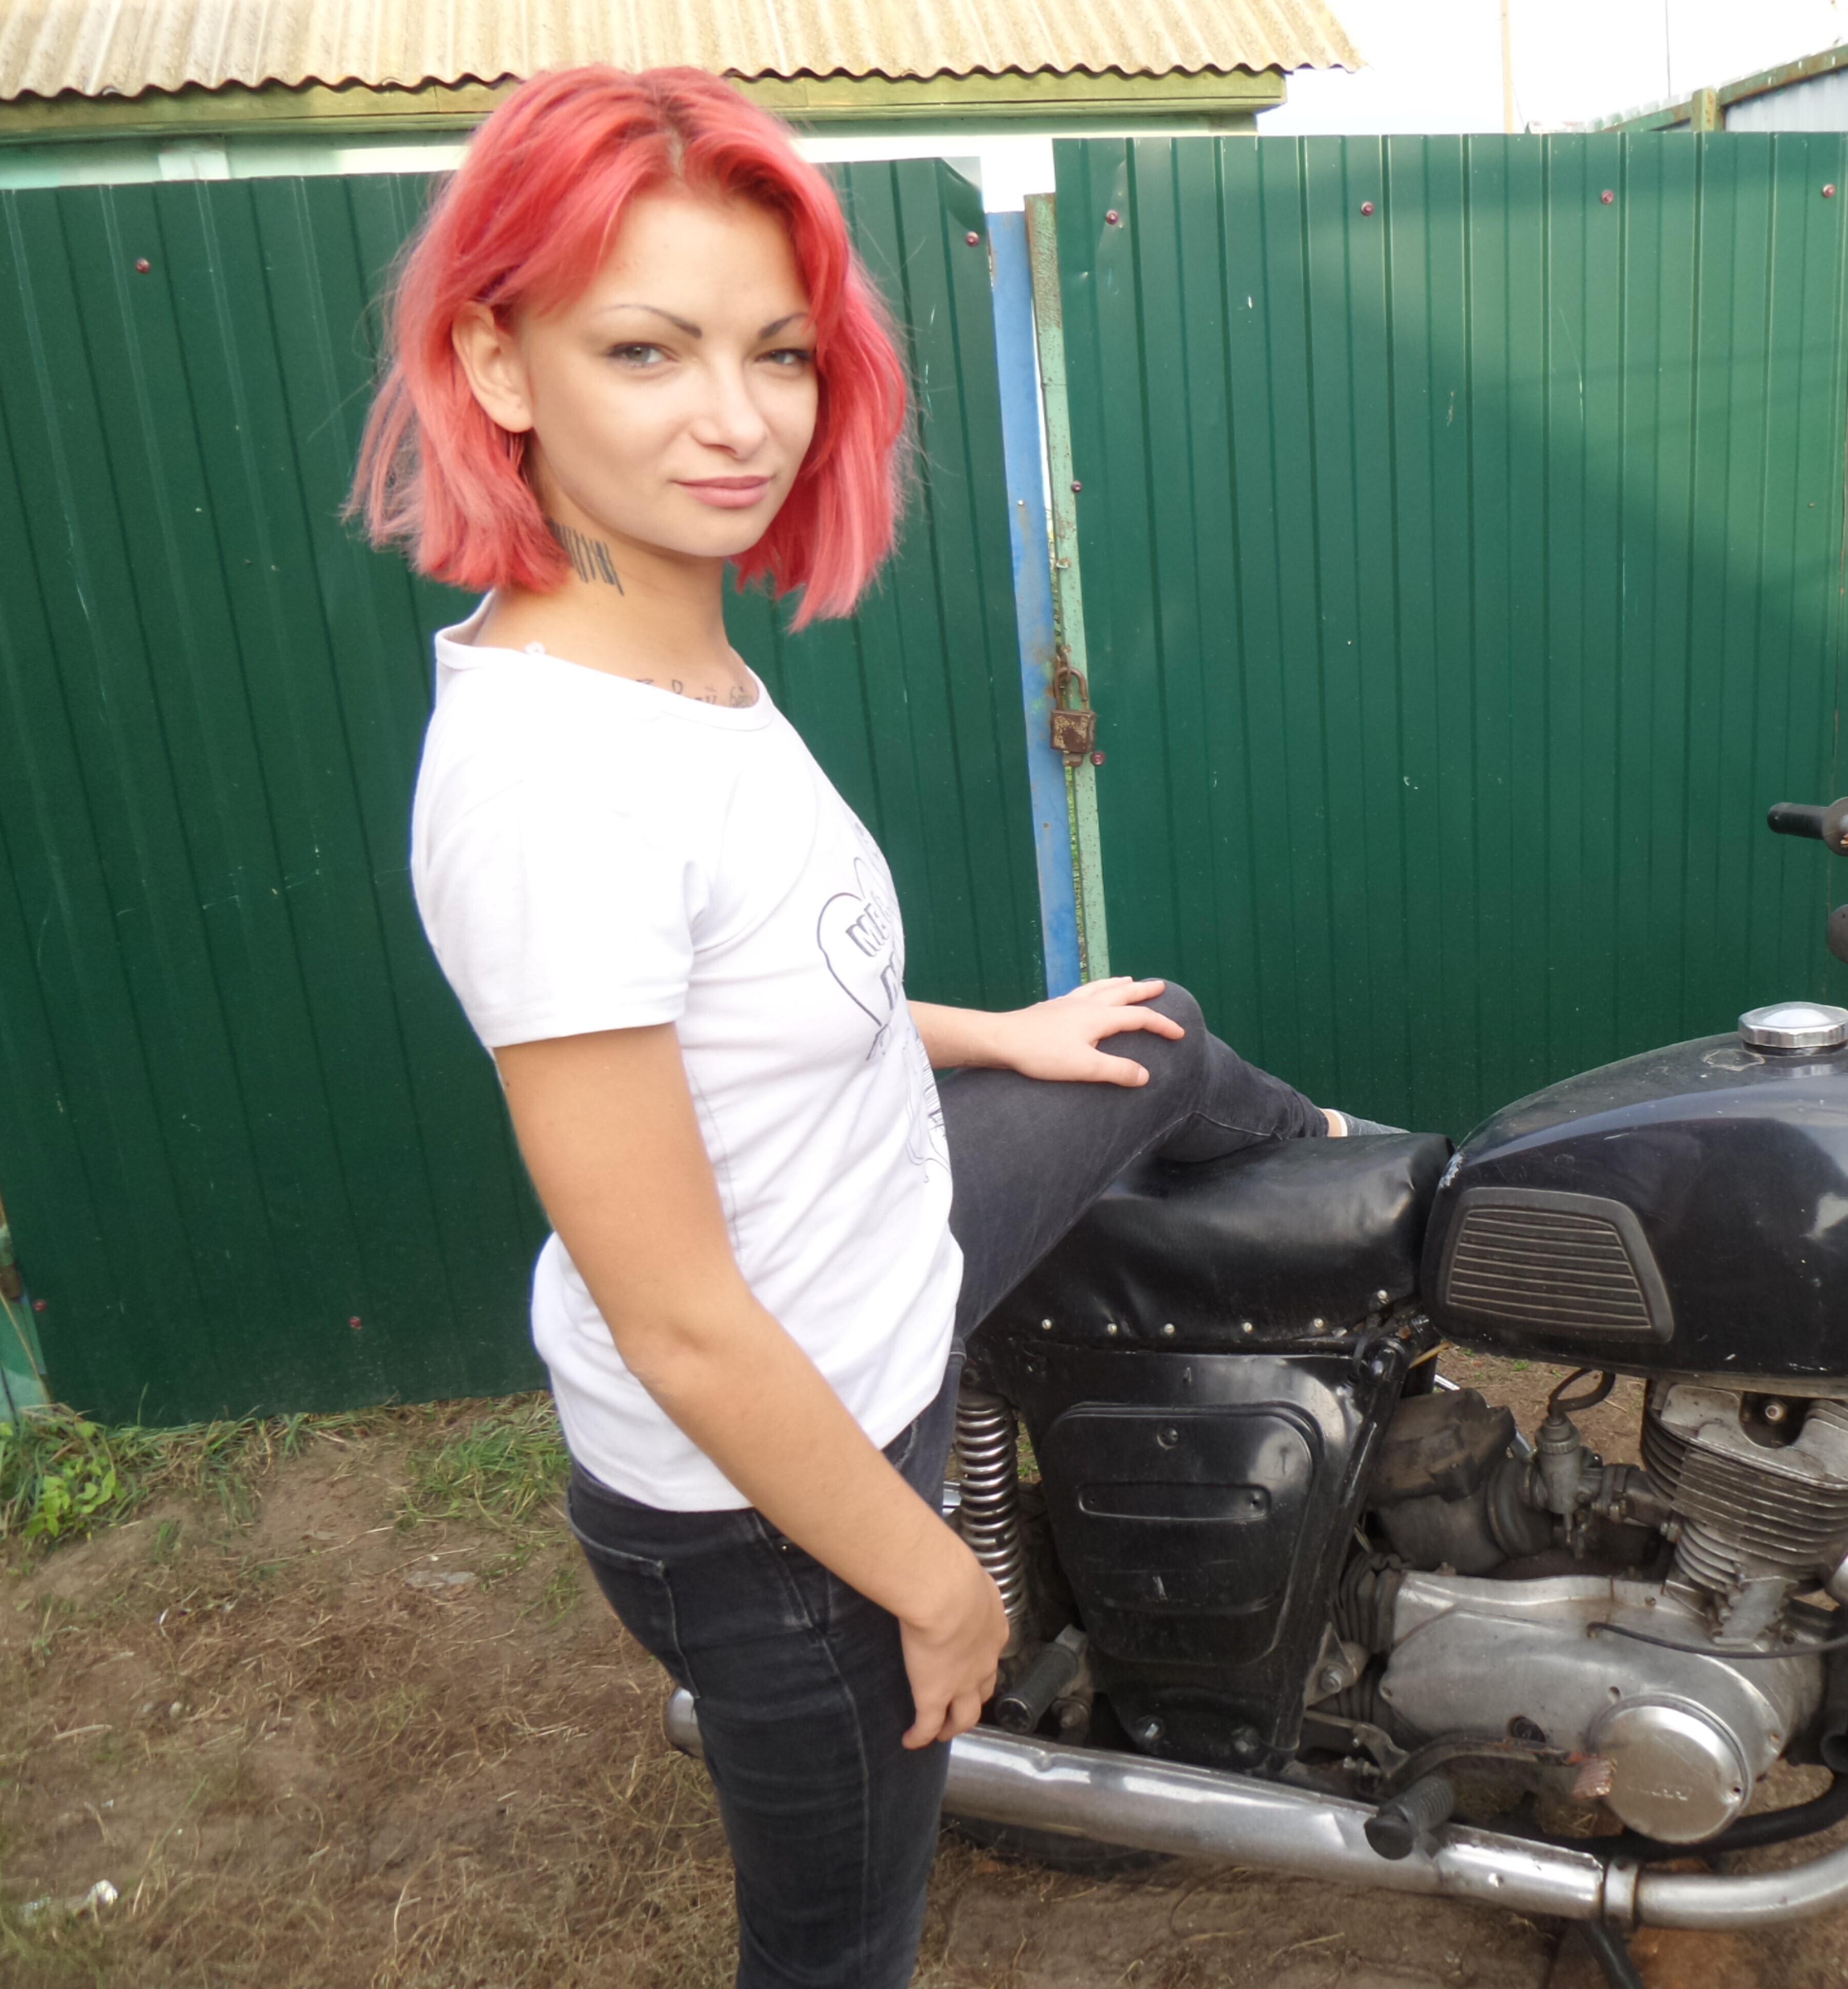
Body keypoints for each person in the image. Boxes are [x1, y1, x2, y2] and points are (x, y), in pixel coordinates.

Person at [352, 65, 1388, 1989]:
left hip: (877, 1252)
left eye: (777, 352)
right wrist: (933, 1580)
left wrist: (994, 1034)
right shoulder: (554, 786)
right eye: (646, 350)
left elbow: (753, 1001)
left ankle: (1362, 1194)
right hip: (774, 1493)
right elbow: (680, 1320)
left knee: (1143, 1033)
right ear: (499, 364)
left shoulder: (672, 658)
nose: (737, 419)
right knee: (839, 1959)